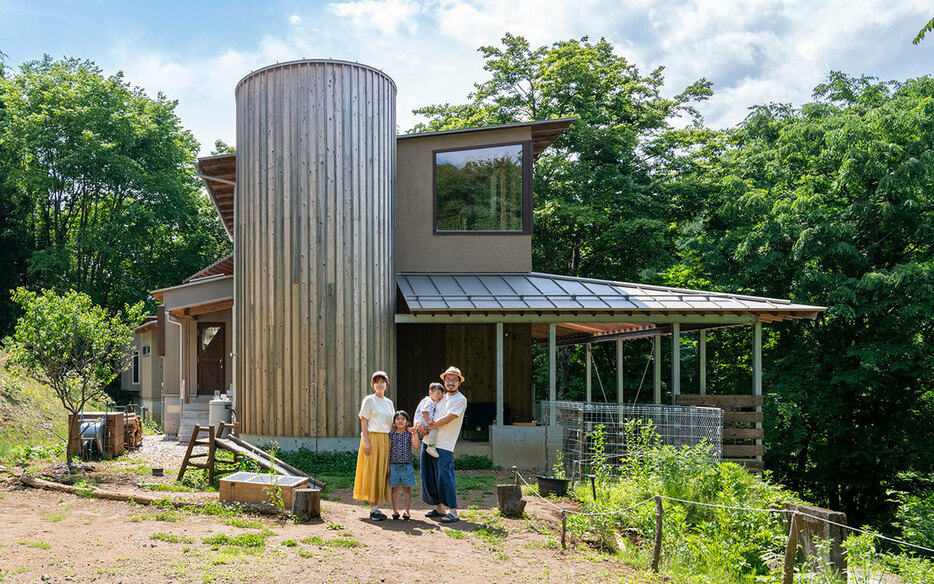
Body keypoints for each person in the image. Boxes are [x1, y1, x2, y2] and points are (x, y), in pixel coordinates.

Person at [420, 365, 468, 523]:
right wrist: (421, 427)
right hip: (429, 442)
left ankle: (453, 511)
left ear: (459, 382)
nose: (451, 382)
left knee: (444, 477)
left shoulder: (460, 400)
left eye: (454, 380)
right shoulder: (440, 397)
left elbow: (448, 418)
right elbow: (428, 413)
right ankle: (439, 508)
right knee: (430, 477)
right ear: (444, 381)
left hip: (445, 444)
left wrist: (427, 426)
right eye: (448, 379)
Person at [353, 371, 394, 520]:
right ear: (373, 384)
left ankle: (377, 507)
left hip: (385, 439)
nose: (380, 384)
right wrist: (367, 441)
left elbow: (392, 424)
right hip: (372, 437)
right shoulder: (369, 400)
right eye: (377, 381)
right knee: (371, 471)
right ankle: (373, 509)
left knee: (382, 471)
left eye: (382, 381)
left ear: (387, 384)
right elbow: (364, 420)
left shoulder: (389, 403)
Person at [387, 410, 420, 520]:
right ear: (394, 422)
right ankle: (395, 511)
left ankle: (407, 511)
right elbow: (388, 450)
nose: (400, 421)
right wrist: (387, 465)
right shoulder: (391, 434)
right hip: (394, 465)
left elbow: (416, 446)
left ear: (407, 422)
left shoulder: (409, 434)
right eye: (398, 419)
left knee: (407, 489)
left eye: (403, 419)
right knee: (394, 489)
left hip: (407, 465)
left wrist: (415, 433)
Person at [413, 382, 444, 458]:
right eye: (437, 394)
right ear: (430, 393)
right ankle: (431, 447)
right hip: (422, 422)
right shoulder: (429, 401)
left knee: (430, 431)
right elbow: (424, 411)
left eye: (442, 394)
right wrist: (428, 421)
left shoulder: (431, 401)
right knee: (434, 429)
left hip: (421, 422)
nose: (440, 396)